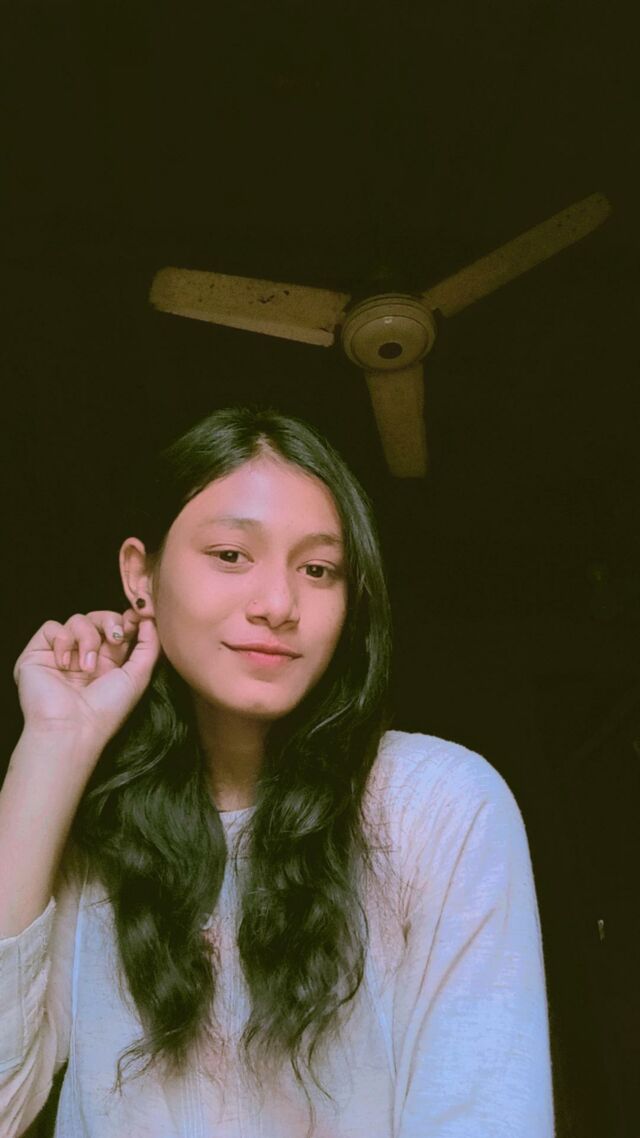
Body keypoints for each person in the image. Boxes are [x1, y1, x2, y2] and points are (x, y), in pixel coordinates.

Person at [0, 405, 554, 1138]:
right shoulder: (95, 822)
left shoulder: (440, 805)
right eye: (232, 555)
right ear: (141, 575)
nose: (278, 605)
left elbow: (486, 1115)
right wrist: (54, 745)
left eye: (318, 569)